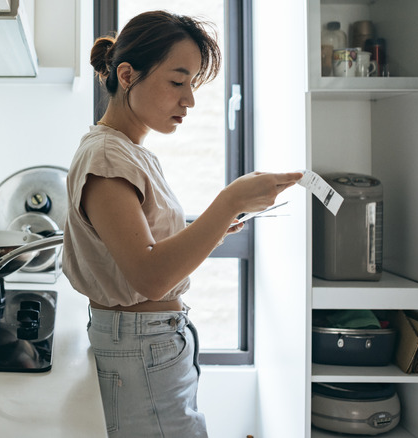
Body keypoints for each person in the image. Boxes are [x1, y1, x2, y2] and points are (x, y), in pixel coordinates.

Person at [61, 10, 303, 438]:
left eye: (192, 84)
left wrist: (213, 227)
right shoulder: (107, 157)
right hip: (139, 346)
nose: (189, 99)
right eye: (177, 81)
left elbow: (146, 251)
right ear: (127, 75)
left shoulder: (128, 151)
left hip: (148, 343)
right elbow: (150, 276)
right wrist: (228, 202)